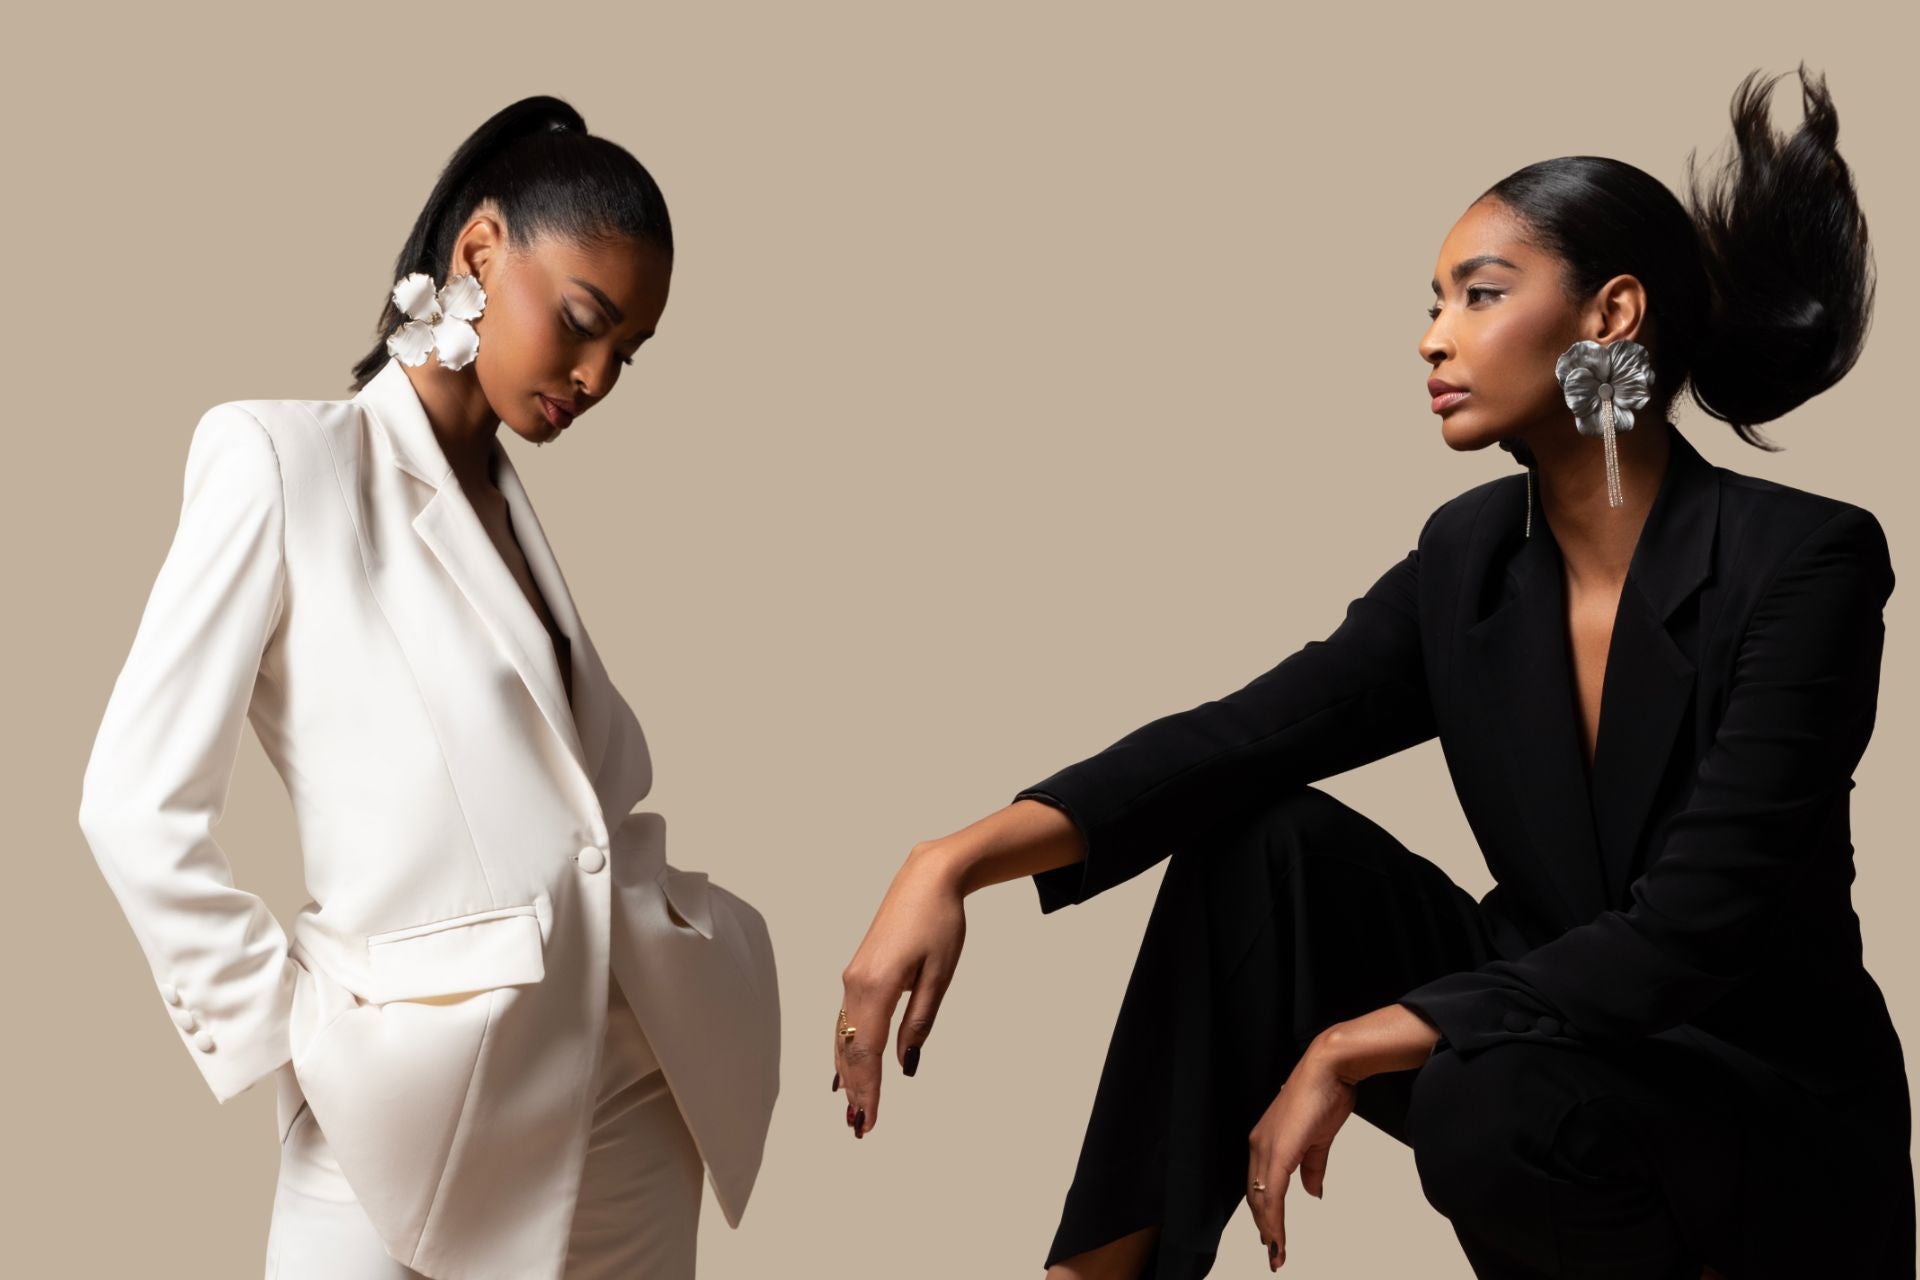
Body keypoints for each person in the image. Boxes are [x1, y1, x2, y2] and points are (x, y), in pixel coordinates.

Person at [833, 63, 1911, 1279]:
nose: (1432, 332)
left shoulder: (1803, 560)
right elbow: (1245, 736)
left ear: (1610, 315)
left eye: (1479, 292)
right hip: (1547, 1039)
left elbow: (1695, 924)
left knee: (1476, 1092)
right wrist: (953, 860)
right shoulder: (1471, 560)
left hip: (1755, 1108)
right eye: (1435, 297)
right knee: (1260, 845)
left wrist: (1359, 1040)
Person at [77, 95, 779, 1280]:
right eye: (583, 321)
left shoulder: (504, 501)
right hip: (395, 1118)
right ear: (480, 252)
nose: (599, 375)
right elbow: (134, 802)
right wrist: (294, 1042)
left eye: (628, 352)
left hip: (626, 1106)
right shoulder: (286, 463)